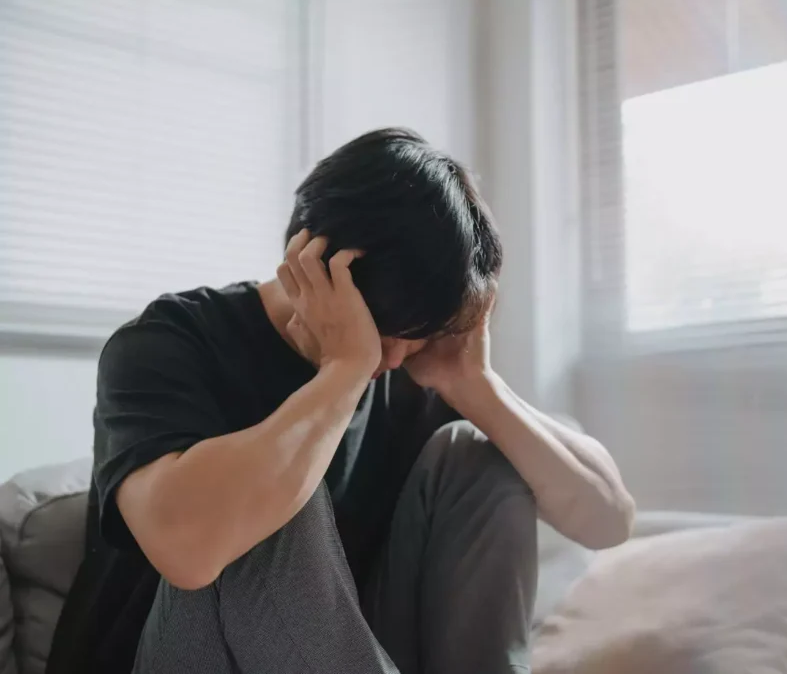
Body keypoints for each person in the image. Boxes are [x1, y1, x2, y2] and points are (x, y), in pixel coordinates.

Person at [46, 128, 635, 674]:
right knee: (270, 490)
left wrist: (475, 384)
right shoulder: (167, 340)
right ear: (312, 264)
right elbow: (187, 550)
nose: (397, 359)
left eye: (420, 334)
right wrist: (342, 370)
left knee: (477, 451)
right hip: (172, 653)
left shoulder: (415, 360)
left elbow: (609, 519)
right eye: (385, 331)